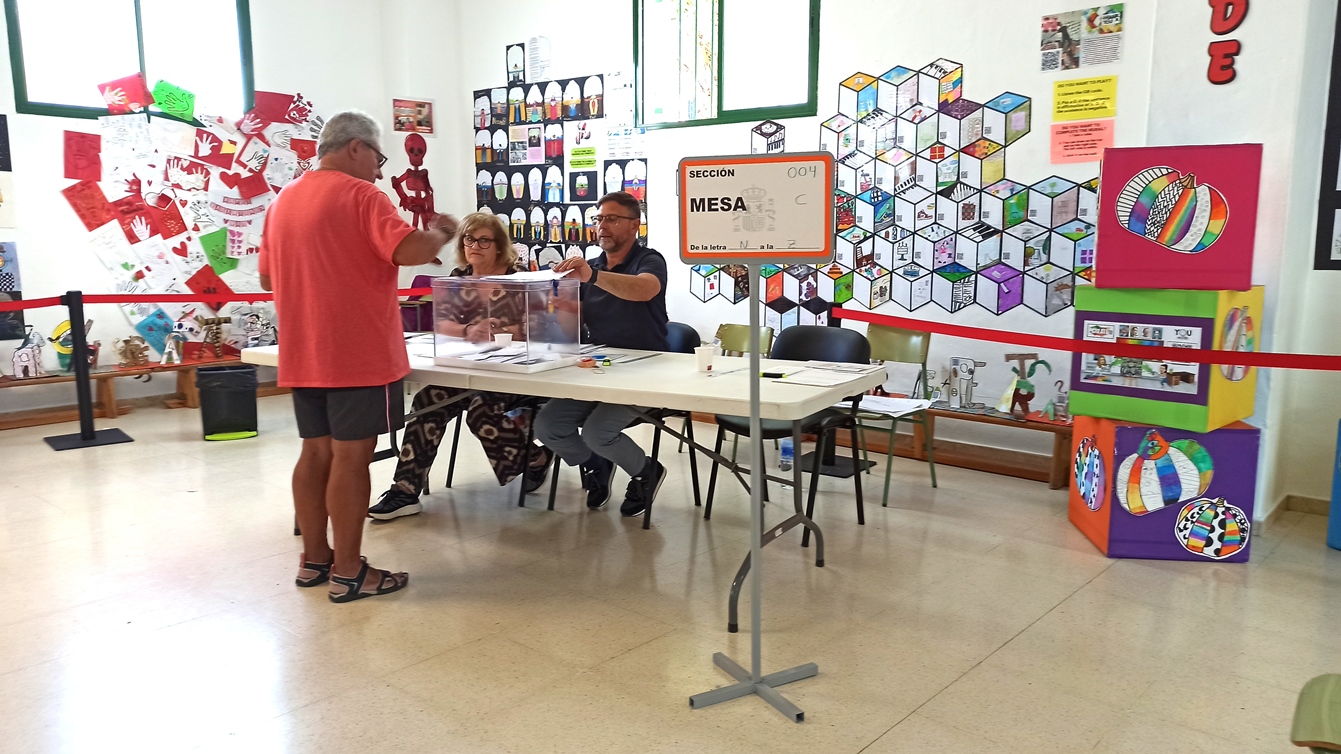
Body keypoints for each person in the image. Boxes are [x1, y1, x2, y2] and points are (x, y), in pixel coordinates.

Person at [259, 110, 459, 603]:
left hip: (303, 349)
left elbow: (267, 279)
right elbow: (408, 251)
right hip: (356, 352)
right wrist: (441, 231)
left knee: (315, 452)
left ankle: (315, 561)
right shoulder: (361, 194)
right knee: (353, 457)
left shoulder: (284, 200)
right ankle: (350, 571)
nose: (380, 169)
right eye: (378, 157)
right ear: (355, 147)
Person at [369, 213, 556, 520]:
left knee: (482, 411)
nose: (475, 246)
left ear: (498, 246)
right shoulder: (458, 277)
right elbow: (443, 324)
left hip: (513, 371)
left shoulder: (518, 276)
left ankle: (535, 458)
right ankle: (404, 490)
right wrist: (470, 331)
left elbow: (539, 328)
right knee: (426, 400)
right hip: (467, 368)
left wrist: (500, 334)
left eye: (484, 240)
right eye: (469, 239)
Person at [536, 191, 669, 518]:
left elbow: (644, 289)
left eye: (611, 218)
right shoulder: (590, 267)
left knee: (598, 432)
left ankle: (645, 472)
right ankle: (594, 464)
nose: (601, 226)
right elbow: (579, 315)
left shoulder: (648, 260)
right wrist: (554, 304)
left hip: (645, 369)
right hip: (598, 365)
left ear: (634, 224)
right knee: (548, 426)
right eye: (598, 219)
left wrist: (592, 277)